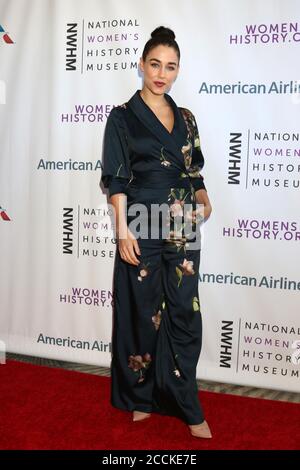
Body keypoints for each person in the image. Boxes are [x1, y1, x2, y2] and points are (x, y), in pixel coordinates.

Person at [100, 26, 213, 439]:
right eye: (155, 64)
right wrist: (122, 231)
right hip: (141, 218)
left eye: (171, 66)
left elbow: (193, 165)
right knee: (142, 311)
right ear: (141, 66)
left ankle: (186, 401)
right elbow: (115, 179)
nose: (162, 73)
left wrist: (202, 196)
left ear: (178, 70)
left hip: (184, 219)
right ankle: (142, 396)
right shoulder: (123, 117)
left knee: (185, 311)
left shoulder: (186, 117)